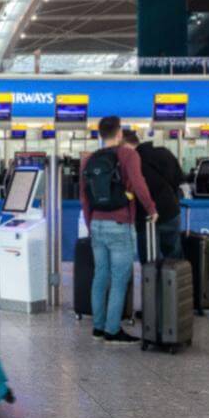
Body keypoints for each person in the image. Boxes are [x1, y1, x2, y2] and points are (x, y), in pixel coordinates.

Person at [80, 116, 157, 344]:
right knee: (120, 278)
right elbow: (139, 184)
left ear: (100, 135)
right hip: (120, 223)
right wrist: (151, 209)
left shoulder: (89, 160)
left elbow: (85, 198)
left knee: (100, 275)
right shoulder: (128, 155)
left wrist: (90, 222)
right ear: (119, 134)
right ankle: (112, 330)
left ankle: (98, 328)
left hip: (96, 223)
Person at [122, 129, 186, 261]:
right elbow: (179, 179)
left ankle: (154, 282)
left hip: (147, 217)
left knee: (150, 262)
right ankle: (176, 281)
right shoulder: (163, 152)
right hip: (171, 212)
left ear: (125, 145)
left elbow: (135, 190)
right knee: (175, 259)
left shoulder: (132, 161)